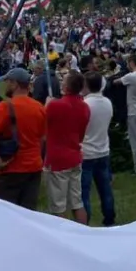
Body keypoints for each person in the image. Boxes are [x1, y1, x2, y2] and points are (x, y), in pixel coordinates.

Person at [0, 68, 47, 210]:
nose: (6, 85)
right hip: (33, 169)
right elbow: (43, 139)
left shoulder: (5, 107)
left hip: (10, 170)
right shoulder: (39, 107)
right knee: (28, 214)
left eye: (7, 82)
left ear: (15, 84)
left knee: (3, 213)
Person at [44, 71, 90, 224]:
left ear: (67, 86)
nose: (61, 82)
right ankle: (83, 233)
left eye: (63, 80)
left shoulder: (55, 105)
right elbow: (81, 136)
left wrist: (47, 105)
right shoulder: (85, 107)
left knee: (58, 206)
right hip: (75, 157)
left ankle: (63, 239)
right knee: (77, 202)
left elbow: (41, 125)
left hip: (57, 161)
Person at [80, 71, 115, 226]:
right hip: (103, 150)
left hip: (86, 153)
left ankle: (85, 221)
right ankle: (109, 218)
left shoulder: (85, 105)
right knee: (105, 190)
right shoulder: (107, 102)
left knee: (84, 193)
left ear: (86, 86)